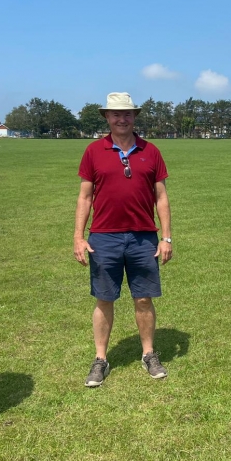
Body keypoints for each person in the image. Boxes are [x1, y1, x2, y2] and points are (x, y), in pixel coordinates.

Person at [74, 92, 173, 387]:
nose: (121, 119)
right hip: (104, 237)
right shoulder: (93, 151)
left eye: (127, 114)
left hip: (144, 237)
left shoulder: (151, 151)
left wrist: (166, 237)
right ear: (107, 117)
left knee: (143, 298)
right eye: (116, 114)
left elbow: (161, 197)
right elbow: (85, 196)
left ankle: (148, 354)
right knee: (104, 298)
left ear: (135, 117)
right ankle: (100, 359)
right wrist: (78, 237)